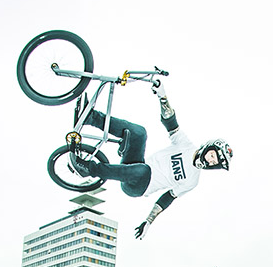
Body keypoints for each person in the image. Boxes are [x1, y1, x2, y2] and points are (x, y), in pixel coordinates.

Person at [70, 82, 232, 239]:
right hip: (135, 165)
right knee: (140, 133)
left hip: (137, 187)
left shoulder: (192, 180)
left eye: (214, 163)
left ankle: (88, 169)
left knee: (144, 171)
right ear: (208, 147)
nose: (210, 161)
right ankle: (91, 117)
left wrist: (148, 221)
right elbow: (170, 121)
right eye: (212, 156)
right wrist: (162, 95)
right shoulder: (185, 145)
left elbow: (167, 198)